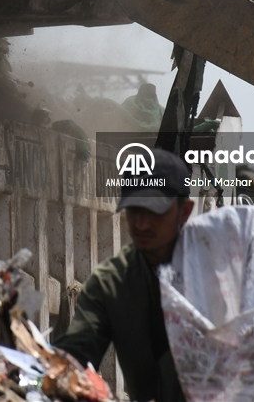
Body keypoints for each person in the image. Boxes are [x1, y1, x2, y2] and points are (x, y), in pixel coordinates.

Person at [53, 147, 193, 402]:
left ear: (184, 211)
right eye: (134, 210)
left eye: (155, 211)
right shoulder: (110, 282)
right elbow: (76, 354)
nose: (141, 224)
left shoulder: (218, 274)